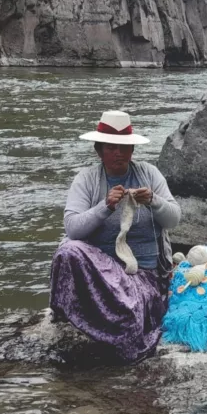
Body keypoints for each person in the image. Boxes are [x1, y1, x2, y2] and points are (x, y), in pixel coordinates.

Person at [49, 110, 181, 363]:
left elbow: (174, 219)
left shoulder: (149, 174)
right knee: (68, 251)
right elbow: (73, 230)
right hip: (100, 275)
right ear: (99, 150)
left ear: (132, 150)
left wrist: (154, 201)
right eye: (112, 147)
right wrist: (104, 207)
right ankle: (70, 315)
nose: (119, 153)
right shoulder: (87, 180)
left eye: (124, 147)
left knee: (129, 308)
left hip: (143, 274)